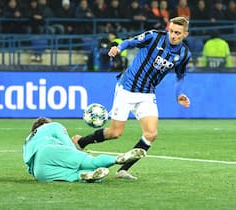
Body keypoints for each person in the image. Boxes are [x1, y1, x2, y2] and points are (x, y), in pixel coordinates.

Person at [73, 17, 191, 180]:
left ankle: (123, 170)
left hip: (148, 94)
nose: (173, 35)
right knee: (115, 133)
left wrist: (179, 95)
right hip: (126, 89)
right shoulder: (154, 36)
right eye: (171, 31)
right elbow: (130, 42)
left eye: (177, 33)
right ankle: (81, 142)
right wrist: (118, 47)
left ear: (185, 34)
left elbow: (180, 76)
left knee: (151, 134)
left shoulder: (184, 53)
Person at [23, 117, 146, 182]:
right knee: (89, 162)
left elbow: (28, 167)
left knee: (74, 175)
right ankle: (118, 159)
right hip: (49, 151)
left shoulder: (27, 142)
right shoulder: (52, 126)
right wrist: (75, 151)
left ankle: (86, 176)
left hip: (39, 172)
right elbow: (66, 142)